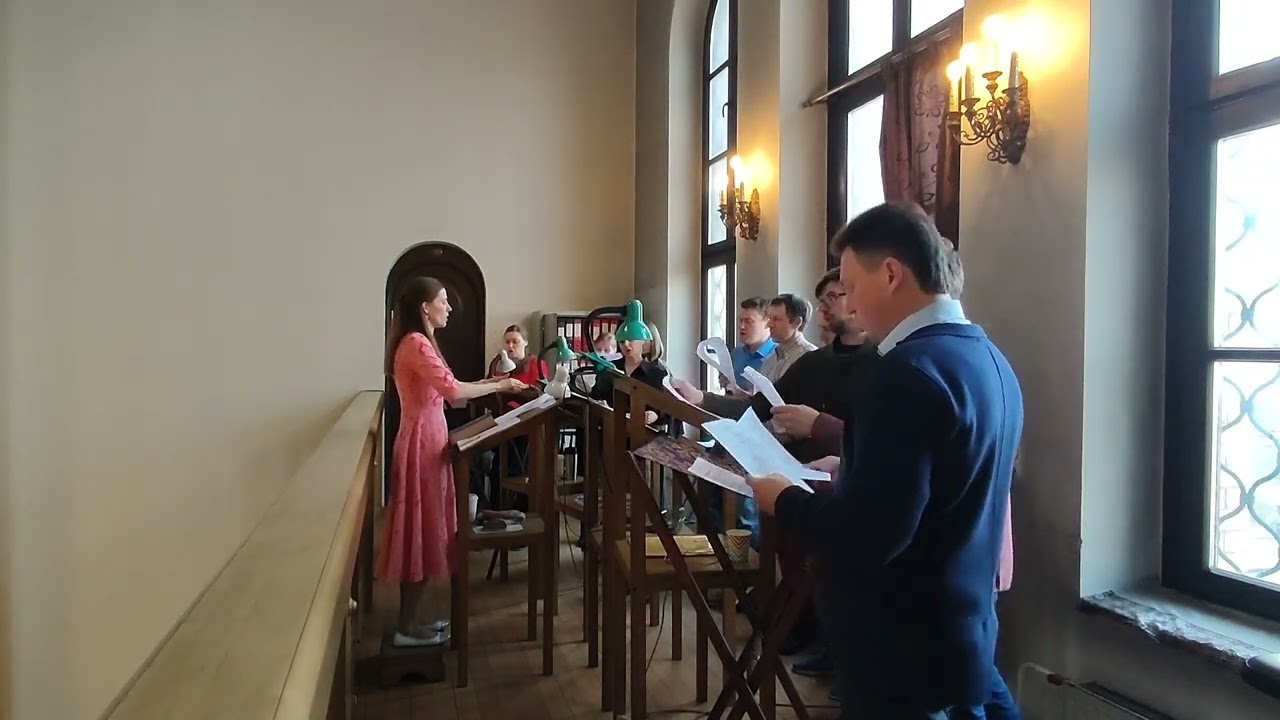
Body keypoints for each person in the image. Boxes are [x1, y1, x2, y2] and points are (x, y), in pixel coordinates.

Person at [748, 203, 1023, 719]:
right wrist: (854, 465)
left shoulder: (905, 372)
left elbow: (869, 537)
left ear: (892, 274)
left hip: (901, 644)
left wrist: (782, 499)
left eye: (851, 287)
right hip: (961, 623)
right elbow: (948, 478)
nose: (849, 305)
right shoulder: (988, 357)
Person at [378, 276, 527, 647]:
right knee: (419, 533)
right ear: (424, 307)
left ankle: (411, 621)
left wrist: (494, 384)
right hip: (420, 442)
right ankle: (406, 627)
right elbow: (454, 389)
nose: (449, 306)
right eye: (443, 300)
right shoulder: (416, 343)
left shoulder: (420, 340)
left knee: (424, 531)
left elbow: (452, 392)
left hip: (427, 437)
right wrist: (500, 385)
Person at [487, 324, 548, 406]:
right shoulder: (497, 363)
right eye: (507, 342)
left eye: (515, 342)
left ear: (525, 343)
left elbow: (539, 393)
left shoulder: (537, 364)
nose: (510, 346)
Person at [728, 297, 776, 387]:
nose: (742, 326)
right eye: (740, 321)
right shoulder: (736, 353)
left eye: (748, 321)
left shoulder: (778, 355)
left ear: (767, 323)